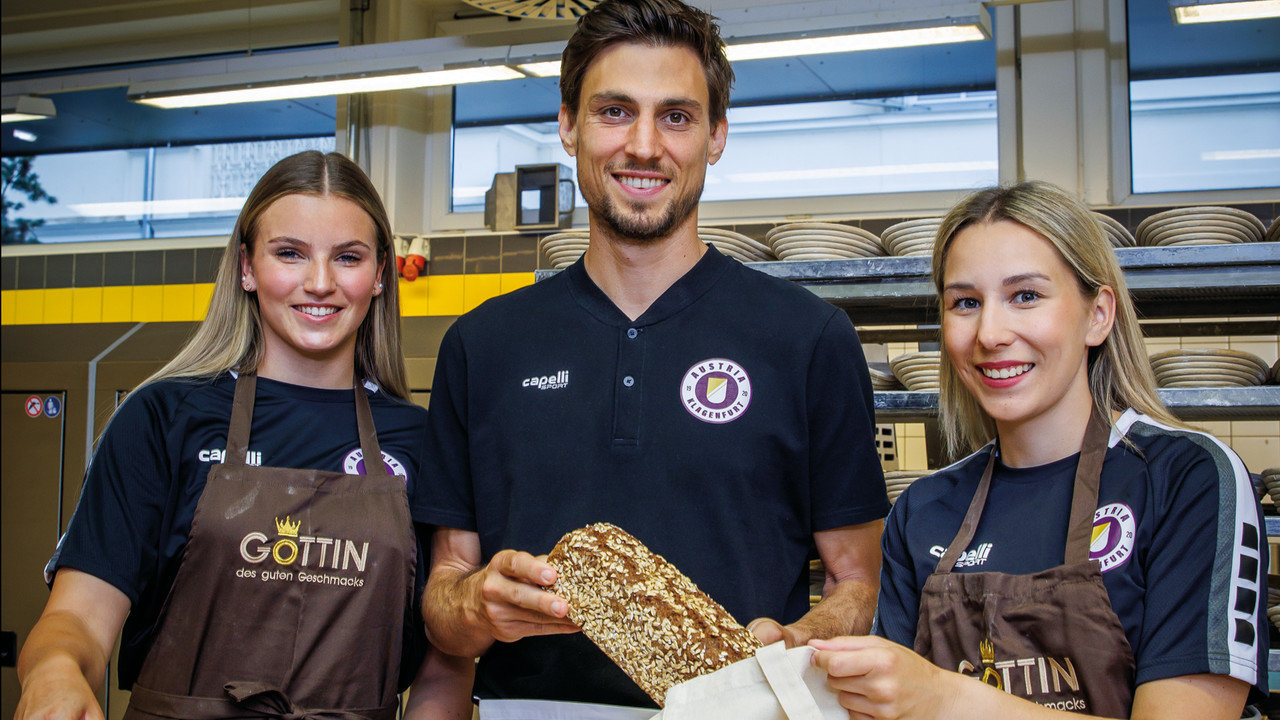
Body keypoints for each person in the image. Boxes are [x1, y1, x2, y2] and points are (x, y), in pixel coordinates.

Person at [417, 0, 888, 716]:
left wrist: (799, 640)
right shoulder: (482, 346)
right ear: (568, 125)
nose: (643, 146)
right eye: (614, 112)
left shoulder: (808, 339)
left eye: (676, 116)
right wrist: (477, 603)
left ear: (716, 135)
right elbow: (442, 603)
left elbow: (860, 585)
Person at [16, 150, 473, 720]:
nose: (320, 283)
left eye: (348, 257)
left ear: (380, 274)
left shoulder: (422, 441)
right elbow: (78, 618)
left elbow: (443, 667)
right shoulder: (162, 419)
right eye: (290, 253)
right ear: (247, 267)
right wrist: (54, 672)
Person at [810, 181, 1268, 720]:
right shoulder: (924, 510)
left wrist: (944, 698)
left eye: (1025, 295)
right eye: (966, 303)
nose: (990, 333)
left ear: (1098, 315)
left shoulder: (1185, 479)